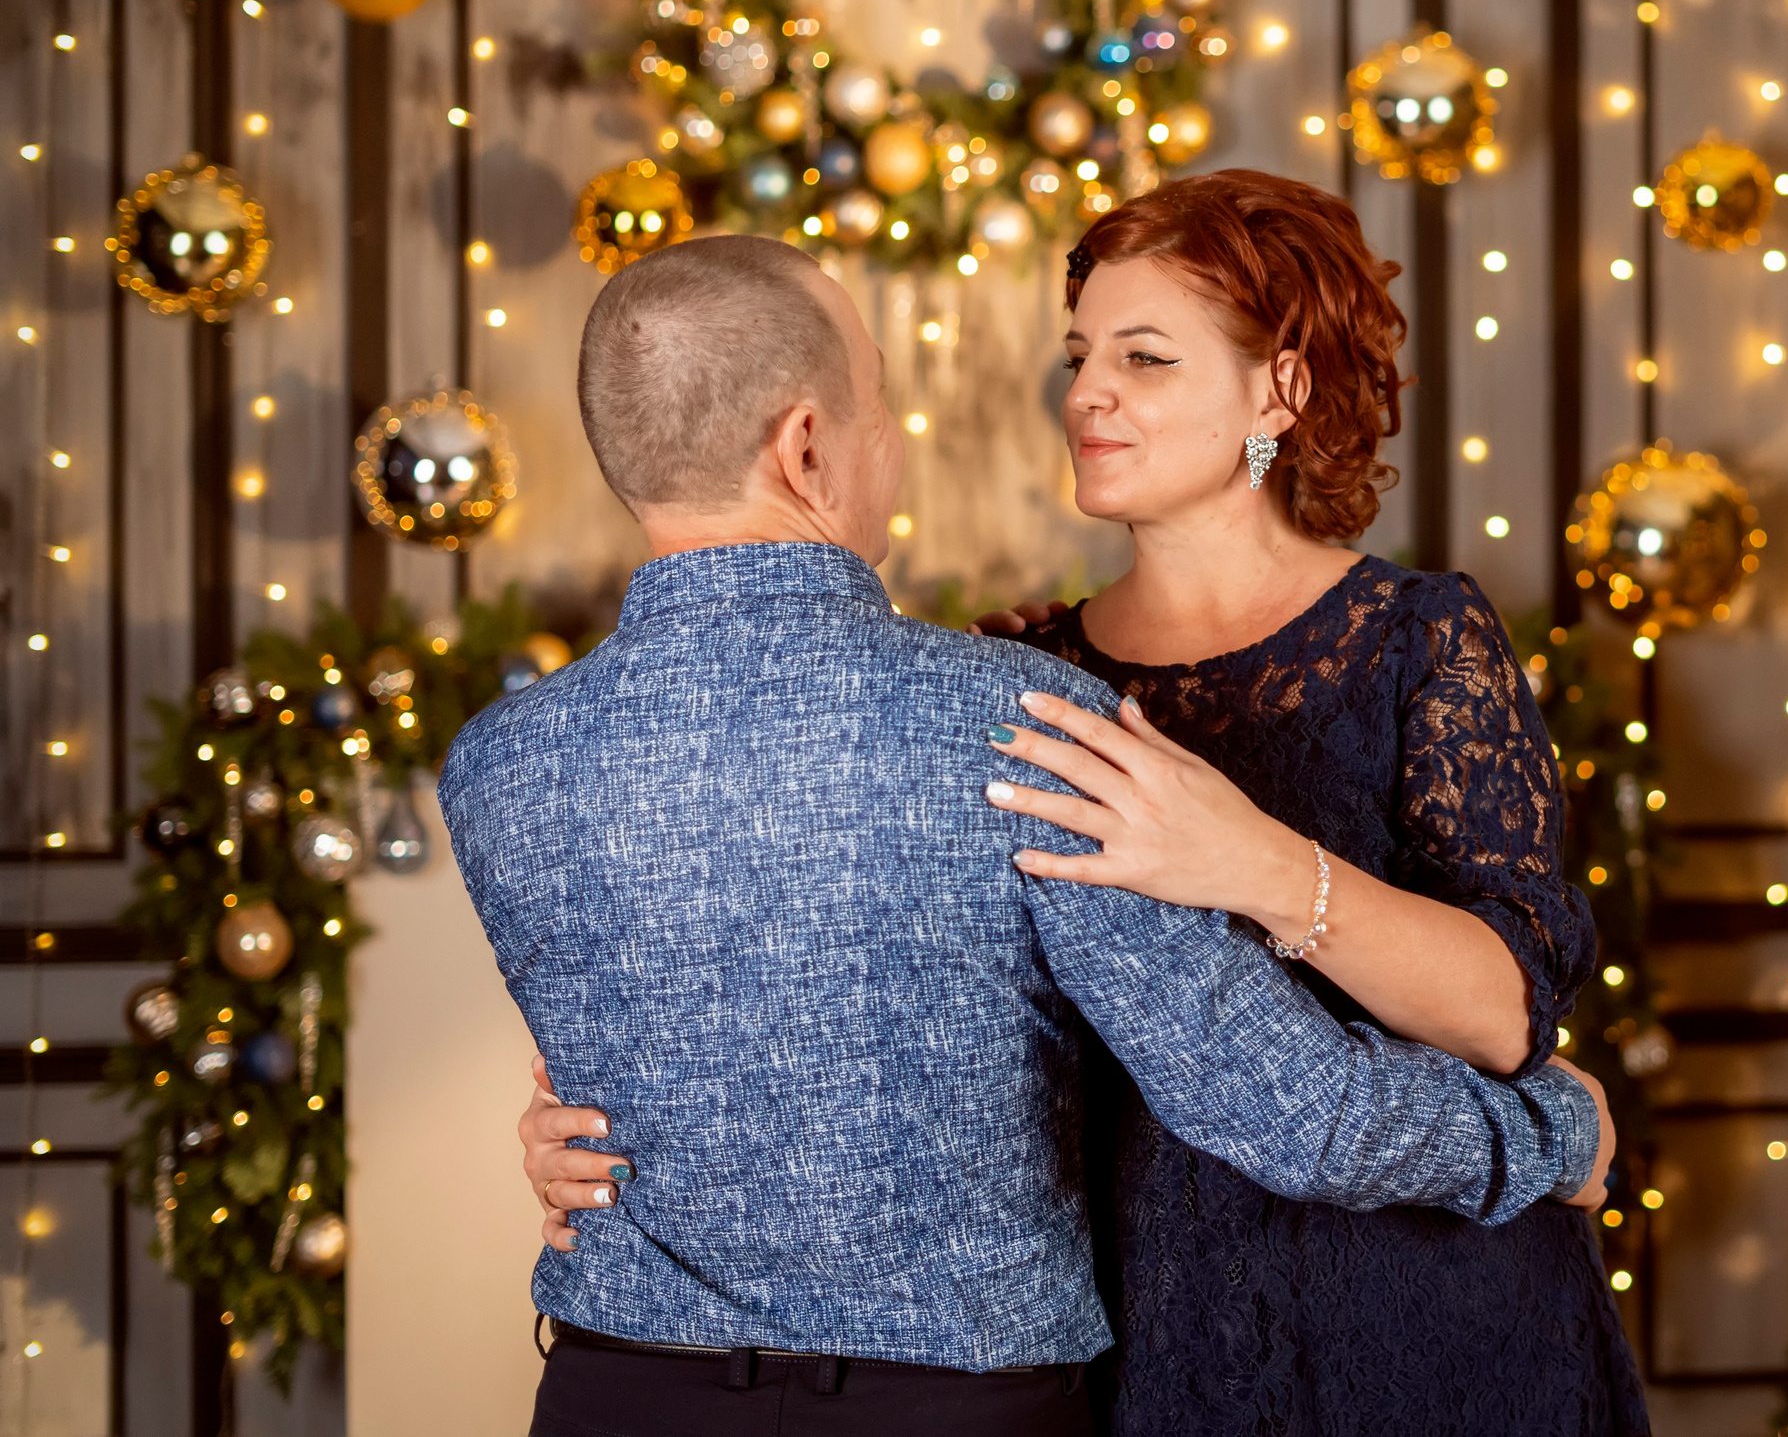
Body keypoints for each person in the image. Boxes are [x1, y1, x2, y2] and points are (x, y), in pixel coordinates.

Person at [526, 176, 1650, 1435]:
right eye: (1078, 356)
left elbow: (1506, 1015)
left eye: (1145, 357)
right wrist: (593, 1120)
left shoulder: (1418, 639)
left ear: (1278, 389)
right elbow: (843, 981)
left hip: (1426, 1291)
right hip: (1144, 1324)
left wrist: (1256, 861)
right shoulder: (1024, 678)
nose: (1086, 395)